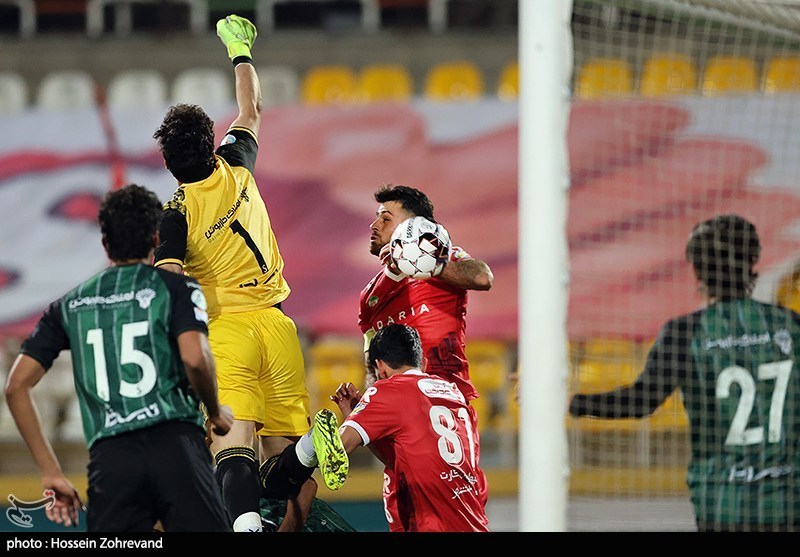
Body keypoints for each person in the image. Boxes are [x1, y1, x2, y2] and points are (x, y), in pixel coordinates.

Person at [152, 14, 347, 532]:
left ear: (169, 164)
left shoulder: (175, 214)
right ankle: (311, 446)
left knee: (231, 451)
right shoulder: (235, 162)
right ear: (210, 142)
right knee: (283, 468)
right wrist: (240, 50)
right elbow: (251, 108)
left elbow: (168, 281)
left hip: (228, 333)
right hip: (279, 327)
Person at [4, 184, 234, 532]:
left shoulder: (69, 305)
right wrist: (215, 412)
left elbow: (16, 386)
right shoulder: (177, 288)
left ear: (104, 242)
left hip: (111, 460)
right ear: (156, 238)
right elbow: (195, 359)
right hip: (176, 447)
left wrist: (51, 471)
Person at [569, 213, 800, 532]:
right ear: (752, 261)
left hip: (722, 504)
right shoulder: (791, 326)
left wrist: (571, 401)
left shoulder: (685, 333)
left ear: (697, 269)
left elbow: (640, 401)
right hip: (787, 504)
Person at [324, 323, 489, 532]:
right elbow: (404, 461)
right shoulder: (455, 394)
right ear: (423, 363)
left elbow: (338, 447)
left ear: (380, 367)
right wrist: (357, 416)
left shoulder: (388, 390)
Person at [359, 184, 494, 400]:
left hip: (444, 401)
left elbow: (482, 278)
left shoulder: (444, 262)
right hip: (396, 405)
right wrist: (367, 401)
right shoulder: (370, 296)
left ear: (413, 226)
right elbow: (372, 366)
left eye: (385, 219)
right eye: (377, 218)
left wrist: (422, 262)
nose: (374, 225)